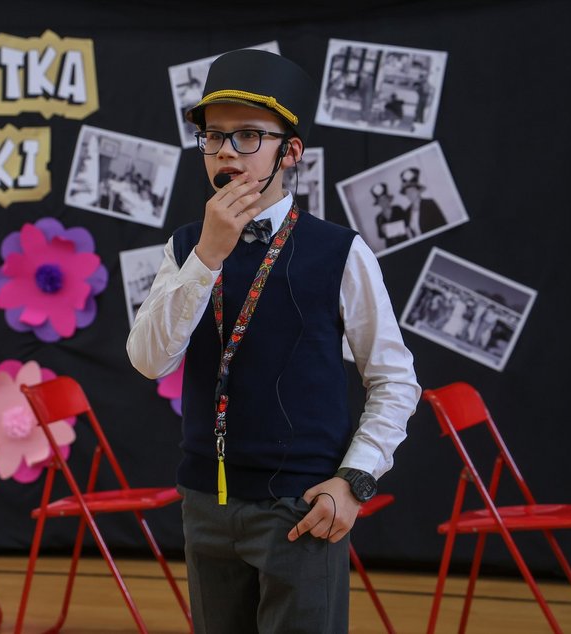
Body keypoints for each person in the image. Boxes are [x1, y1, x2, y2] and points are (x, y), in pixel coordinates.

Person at [126, 48, 420, 633]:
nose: (226, 152)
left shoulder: (339, 250)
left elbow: (394, 379)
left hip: (302, 504)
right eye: (214, 136)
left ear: (290, 152)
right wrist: (207, 256)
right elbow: (148, 360)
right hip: (206, 501)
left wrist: (354, 482)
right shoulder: (186, 246)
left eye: (248, 136)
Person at [399, 167, 445, 236]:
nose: (410, 194)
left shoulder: (430, 204)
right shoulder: (407, 211)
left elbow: (442, 224)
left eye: (412, 190)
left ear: (418, 191)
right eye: (407, 192)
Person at [372, 181, 410, 248]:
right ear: (378, 203)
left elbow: (407, 223)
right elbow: (380, 235)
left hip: (405, 243)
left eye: (384, 199)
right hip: (391, 246)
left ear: (389, 199)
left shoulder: (398, 209)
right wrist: (383, 231)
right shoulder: (378, 218)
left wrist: (392, 229)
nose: (383, 202)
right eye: (380, 200)